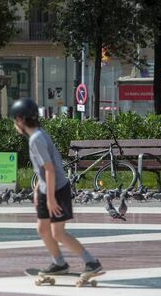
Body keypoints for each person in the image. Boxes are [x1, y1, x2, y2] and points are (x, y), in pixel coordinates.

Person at [11, 97, 102, 275]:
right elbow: (43, 169)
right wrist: (38, 189)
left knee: (58, 233)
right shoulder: (38, 135)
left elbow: (50, 170)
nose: (15, 124)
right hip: (48, 189)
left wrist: (51, 199)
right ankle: (59, 263)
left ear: (21, 120)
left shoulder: (36, 139)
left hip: (57, 190)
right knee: (43, 228)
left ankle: (91, 262)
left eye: (15, 119)